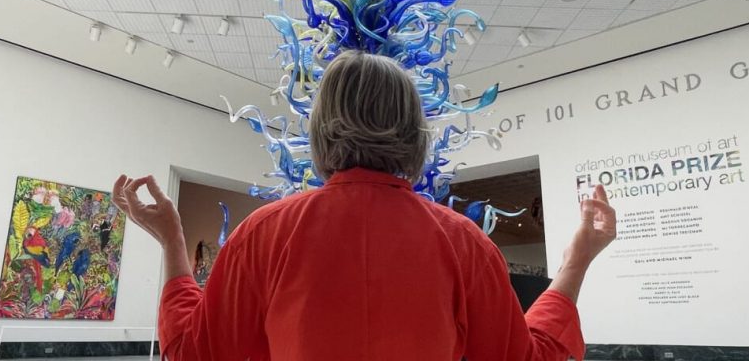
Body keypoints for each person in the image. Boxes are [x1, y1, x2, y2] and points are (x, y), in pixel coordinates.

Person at [111, 51, 618, 360]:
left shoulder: (265, 234)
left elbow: (194, 353)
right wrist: (576, 263)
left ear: (319, 130)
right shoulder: (462, 242)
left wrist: (173, 244)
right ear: (414, 133)